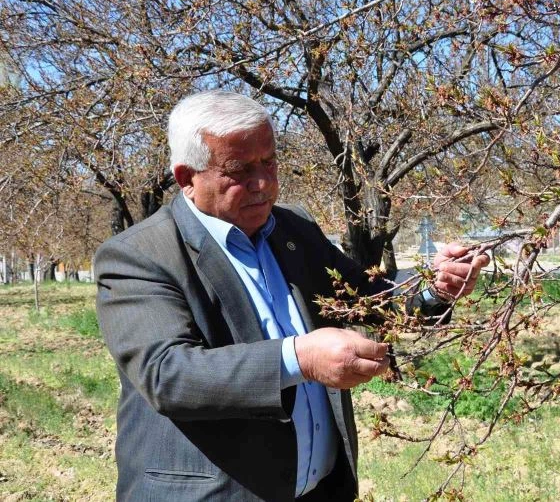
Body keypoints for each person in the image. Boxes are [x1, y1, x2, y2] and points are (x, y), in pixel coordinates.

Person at [95, 89, 488, 501]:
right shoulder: (139, 255)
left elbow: (366, 298)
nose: (263, 183)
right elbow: (168, 374)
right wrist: (301, 359)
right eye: (239, 170)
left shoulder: (292, 229)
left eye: (269, 162)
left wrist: (433, 286)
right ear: (186, 178)